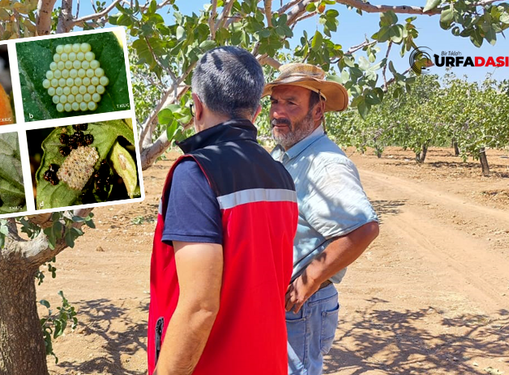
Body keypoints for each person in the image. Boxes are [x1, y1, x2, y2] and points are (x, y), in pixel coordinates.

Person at [147, 46, 299, 375]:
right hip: (267, 362)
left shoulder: (196, 173)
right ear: (257, 112)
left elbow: (199, 308)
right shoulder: (280, 175)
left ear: (196, 105)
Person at [264, 63, 380, 375]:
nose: (278, 112)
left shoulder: (325, 165)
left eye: (291, 103)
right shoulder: (287, 154)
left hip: (302, 306)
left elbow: (364, 228)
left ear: (318, 111)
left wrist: (311, 277)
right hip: (286, 304)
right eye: (275, 102)